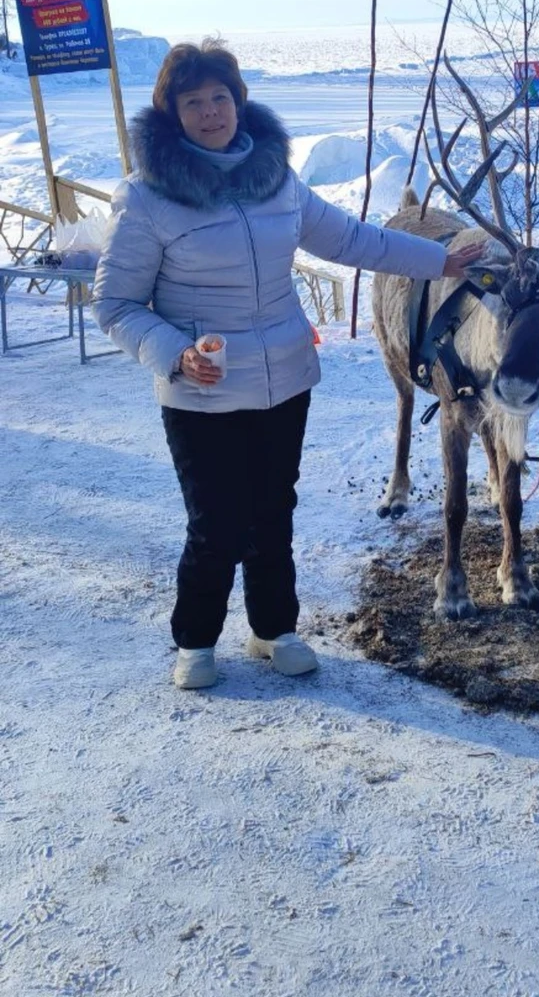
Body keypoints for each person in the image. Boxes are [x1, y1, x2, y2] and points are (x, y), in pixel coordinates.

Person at [93, 39, 483, 691]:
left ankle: (274, 630)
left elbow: (355, 240)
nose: (212, 112)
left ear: (238, 103)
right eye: (195, 102)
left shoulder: (275, 178)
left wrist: (437, 261)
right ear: (172, 112)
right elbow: (117, 304)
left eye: (221, 97)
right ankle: (195, 640)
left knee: (272, 512)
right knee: (216, 523)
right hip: (202, 392)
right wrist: (175, 354)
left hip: (285, 378)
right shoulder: (148, 198)